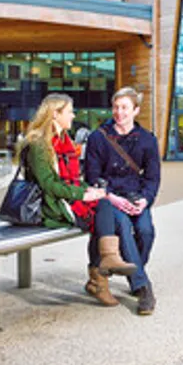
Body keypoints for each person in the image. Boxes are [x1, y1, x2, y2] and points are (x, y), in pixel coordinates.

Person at [22, 93, 136, 307]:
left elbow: (73, 180)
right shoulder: (39, 144)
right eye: (69, 111)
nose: (73, 116)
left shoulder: (65, 139)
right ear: (55, 114)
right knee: (101, 216)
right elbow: (48, 184)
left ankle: (105, 265)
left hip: (65, 197)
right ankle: (100, 277)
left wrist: (91, 190)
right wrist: (82, 195)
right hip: (50, 205)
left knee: (103, 203)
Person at [85, 87, 161, 316]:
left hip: (136, 196)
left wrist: (145, 200)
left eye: (125, 107)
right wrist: (112, 198)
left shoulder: (147, 140)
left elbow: (153, 177)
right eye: (116, 107)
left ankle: (134, 271)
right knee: (125, 231)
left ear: (136, 110)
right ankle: (143, 287)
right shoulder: (98, 137)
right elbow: (91, 176)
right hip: (109, 198)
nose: (119, 112)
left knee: (146, 232)